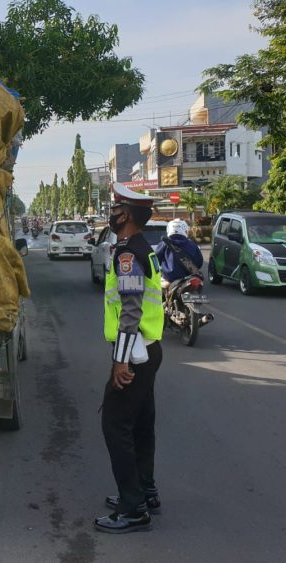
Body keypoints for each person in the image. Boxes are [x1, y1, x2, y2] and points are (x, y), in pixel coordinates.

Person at [95, 184, 164, 534]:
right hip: (150, 349)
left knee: (116, 426)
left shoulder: (127, 254)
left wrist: (120, 361)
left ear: (127, 216)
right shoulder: (141, 248)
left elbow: (131, 309)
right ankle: (145, 490)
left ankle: (133, 508)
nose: (112, 212)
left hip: (135, 353)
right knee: (140, 425)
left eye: (116, 208)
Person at [155, 219, 204, 288]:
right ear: (185, 230)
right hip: (188, 278)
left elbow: (155, 260)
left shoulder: (164, 244)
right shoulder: (192, 244)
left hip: (169, 279)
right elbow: (199, 262)